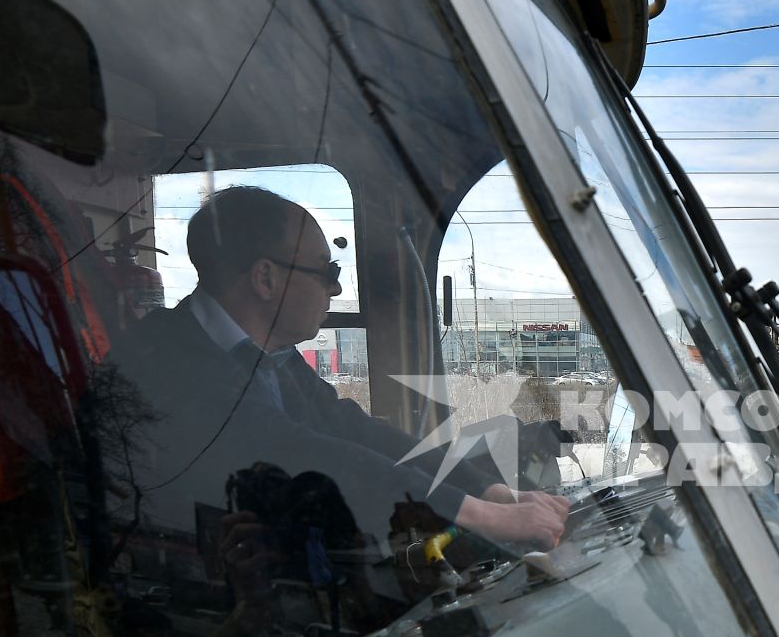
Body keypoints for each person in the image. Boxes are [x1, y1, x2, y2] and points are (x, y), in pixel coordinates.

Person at [106, 186, 566, 551]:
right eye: (325, 270)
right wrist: (479, 517)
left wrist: (491, 493)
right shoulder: (168, 359)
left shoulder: (268, 356)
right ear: (266, 279)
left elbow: (352, 430)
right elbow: (295, 451)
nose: (334, 286)